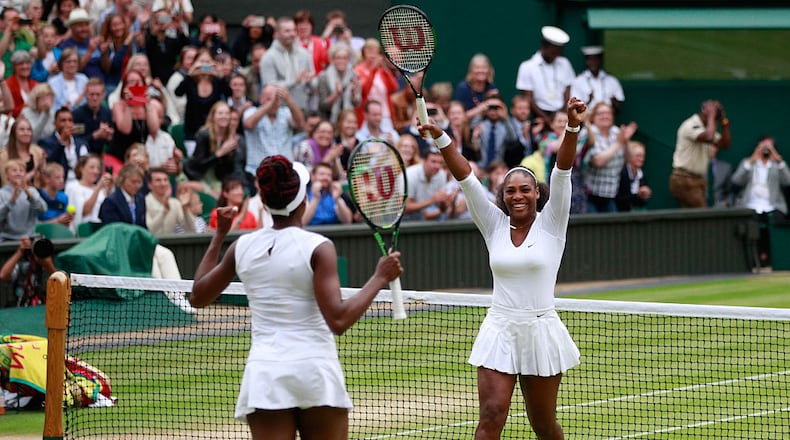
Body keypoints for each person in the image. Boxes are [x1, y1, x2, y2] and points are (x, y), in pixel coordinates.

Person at [189, 155, 402, 439]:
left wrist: (219, 236)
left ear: (263, 202)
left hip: (266, 377)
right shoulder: (319, 247)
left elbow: (197, 296)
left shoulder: (242, 247)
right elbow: (338, 320)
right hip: (314, 372)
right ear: (303, 201)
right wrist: (379, 278)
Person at [417, 97, 586, 440]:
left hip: (541, 330)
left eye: (525, 190)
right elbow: (466, 177)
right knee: (491, 416)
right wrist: (442, 138)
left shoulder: (553, 222)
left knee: (543, 425)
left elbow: (563, 171)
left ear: (538, 194)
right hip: (499, 327)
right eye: (510, 191)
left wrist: (572, 126)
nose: (517, 196)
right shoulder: (493, 223)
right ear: (503, 196)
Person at [730, 136, 790, 267]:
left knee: (777, 222)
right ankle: (752, 260)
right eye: (763, 146)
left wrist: (778, 160)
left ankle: (774, 259)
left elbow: (788, 181)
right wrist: (752, 160)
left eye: (769, 147)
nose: (766, 150)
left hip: (772, 206)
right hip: (751, 206)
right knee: (750, 224)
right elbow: (736, 180)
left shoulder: (776, 165)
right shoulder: (748, 163)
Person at [669, 99, 731, 208]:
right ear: (703, 111)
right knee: (702, 215)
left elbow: (725, 144)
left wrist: (724, 121)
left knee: (692, 219)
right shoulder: (691, 124)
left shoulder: (708, 128)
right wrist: (711, 115)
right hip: (683, 179)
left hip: (697, 180)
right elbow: (709, 137)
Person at [515, 26, 575, 127]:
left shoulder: (565, 63)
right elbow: (528, 98)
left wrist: (562, 114)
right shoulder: (527, 66)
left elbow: (567, 91)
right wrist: (547, 120)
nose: (555, 55)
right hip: (539, 116)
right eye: (553, 52)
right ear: (544, 46)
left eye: (558, 52)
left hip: (562, 115)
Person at [184, 100, 247, 196]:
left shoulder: (230, 136)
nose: (224, 116)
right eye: (220, 113)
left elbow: (229, 168)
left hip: (218, 178)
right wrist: (220, 153)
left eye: (226, 113)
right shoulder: (204, 135)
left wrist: (229, 154)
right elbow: (199, 164)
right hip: (199, 176)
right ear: (213, 116)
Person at [583, 102, 636, 213]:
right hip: (590, 195)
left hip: (611, 194)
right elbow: (597, 161)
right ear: (593, 117)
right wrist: (618, 144)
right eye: (601, 113)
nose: (605, 116)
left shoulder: (616, 132)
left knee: (610, 229)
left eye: (608, 113)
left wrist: (625, 142)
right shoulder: (589, 132)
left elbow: (630, 159)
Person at [243, 84, 304, 174]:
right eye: (268, 99)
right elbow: (249, 124)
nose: (274, 102)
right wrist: (270, 103)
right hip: (257, 172)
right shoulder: (251, 112)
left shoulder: (286, 112)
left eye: (277, 99)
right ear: (260, 98)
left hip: (285, 171)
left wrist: (289, 100)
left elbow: (300, 123)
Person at [258, 16, 314, 115]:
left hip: (304, 109)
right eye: (287, 31)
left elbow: (313, 82)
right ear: (276, 34)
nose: (292, 34)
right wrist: (294, 81)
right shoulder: (268, 57)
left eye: (293, 30)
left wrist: (311, 81)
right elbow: (270, 89)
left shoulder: (304, 54)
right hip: (280, 112)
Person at [353, 38, 398, 132]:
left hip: (385, 114)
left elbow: (394, 87)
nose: (373, 55)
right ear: (363, 52)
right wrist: (373, 70)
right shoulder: (358, 70)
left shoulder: (381, 71)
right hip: (367, 116)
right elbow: (364, 90)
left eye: (375, 52)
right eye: (370, 51)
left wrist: (385, 68)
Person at [0, 234, 57, 306]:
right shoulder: (23, 268)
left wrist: (49, 265)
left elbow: (62, 285)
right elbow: (3, 275)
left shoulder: (52, 270)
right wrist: (20, 251)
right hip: (22, 308)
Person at [38, 106, 90, 184]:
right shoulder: (46, 142)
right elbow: (50, 163)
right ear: (55, 123)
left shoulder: (81, 143)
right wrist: (61, 141)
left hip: (79, 183)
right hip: (59, 184)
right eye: (63, 121)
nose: (67, 124)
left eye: (70, 120)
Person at [65, 153, 113, 233]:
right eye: (92, 167)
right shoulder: (73, 187)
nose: (96, 171)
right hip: (84, 231)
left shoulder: (101, 191)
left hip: (100, 230)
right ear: (81, 168)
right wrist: (98, 187)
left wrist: (109, 190)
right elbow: (85, 211)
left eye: (98, 168)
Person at [0, 159, 47, 240]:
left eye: (21, 171)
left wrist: (29, 195)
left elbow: (42, 210)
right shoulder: (2, 193)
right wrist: (12, 200)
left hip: (29, 236)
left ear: (25, 174)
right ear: (6, 175)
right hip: (6, 237)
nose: (18, 173)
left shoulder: (32, 191)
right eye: (14, 170)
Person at [570, 46, 625, 114]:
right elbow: (575, 109)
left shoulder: (612, 80)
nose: (593, 63)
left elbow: (619, 107)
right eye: (590, 59)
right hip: (587, 120)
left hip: (607, 118)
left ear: (601, 61)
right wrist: (589, 100)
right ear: (586, 61)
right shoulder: (578, 81)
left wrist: (614, 102)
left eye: (596, 59)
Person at [316, 41, 360, 125]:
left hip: (348, 121)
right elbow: (322, 106)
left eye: (344, 58)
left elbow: (357, 103)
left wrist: (354, 93)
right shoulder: (324, 77)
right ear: (332, 59)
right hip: (329, 121)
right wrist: (336, 94)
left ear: (348, 60)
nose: (341, 61)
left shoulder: (354, 76)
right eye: (338, 58)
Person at [403, 147, 450, 222]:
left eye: (440, 163)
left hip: (422, 214)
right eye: (433, 162)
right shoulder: (410, 175)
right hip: (403, 218)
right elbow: (405, 208)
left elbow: (442, 208)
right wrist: (432, 201)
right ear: (424, 161)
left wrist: (446, 202)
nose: (437, 166)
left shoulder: (441, 174)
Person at [145, 167, 194, 234]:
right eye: (158, 180)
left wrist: (185, 209)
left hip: (170, 243)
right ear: (149, 185)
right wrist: (164, 212)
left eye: (165, 180)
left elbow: (191, 229)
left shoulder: (175, 203)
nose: (163, 184)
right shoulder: (144, 202)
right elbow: (149, 230)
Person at [71, 77, 114, 155]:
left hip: (103, 154)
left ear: (103, 95)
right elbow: (75, 140)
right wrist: (95, 136)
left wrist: (109, 136)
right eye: (91, 94)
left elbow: (112, 139)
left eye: (98, 94)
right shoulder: (77, 114)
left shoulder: (107, 113)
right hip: (83, 155)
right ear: (86, 95)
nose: (95, 98)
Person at [0, 117, 46, 187]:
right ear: (14, 133)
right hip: (13, 194)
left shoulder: (38, 152)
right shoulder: (3, 155)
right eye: (22, 130)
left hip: (36, 193)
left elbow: (44, 179)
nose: (26, 133)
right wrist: (32, 173)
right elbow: (5, 182)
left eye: (29, 130)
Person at [98, 162, 146, 227]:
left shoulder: (140, 199)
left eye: (139, 182)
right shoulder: (111, 201)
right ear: (122, 180)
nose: (137, 185)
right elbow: (113, 227)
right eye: (133, 182)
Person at [455, 53, 500, 118]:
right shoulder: (463, 88)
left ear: (489, 70)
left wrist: (497, 102)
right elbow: (459, 117)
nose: (481, 70)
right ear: (471, 70)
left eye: (484, 67)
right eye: (477, 67)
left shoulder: (491, 86)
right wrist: (483, 105)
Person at [616, 141, 652, 212]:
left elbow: (642, 203)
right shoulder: (622, 173)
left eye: (643, 156)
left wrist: (645, 195)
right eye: (638, 156)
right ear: (629, 156)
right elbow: (619, 199)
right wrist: (638, 195)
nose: (641, 159)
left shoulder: (641, 174)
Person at [37, 162, 74, 226]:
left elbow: (65, 225)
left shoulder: (64, 197)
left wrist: (68, 219)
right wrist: (57, 221)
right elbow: (33, 224)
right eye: (57, 177)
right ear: (46, 179)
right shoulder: (37, 196)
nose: (61, 180)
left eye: (62, 177)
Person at [6, 50, 37, 117]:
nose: (25, 66)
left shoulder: (35, 84)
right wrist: (28, 106)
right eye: (21, 63)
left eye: (28, 63)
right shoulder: (7, 85)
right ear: (14, 67)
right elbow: (8, 110)